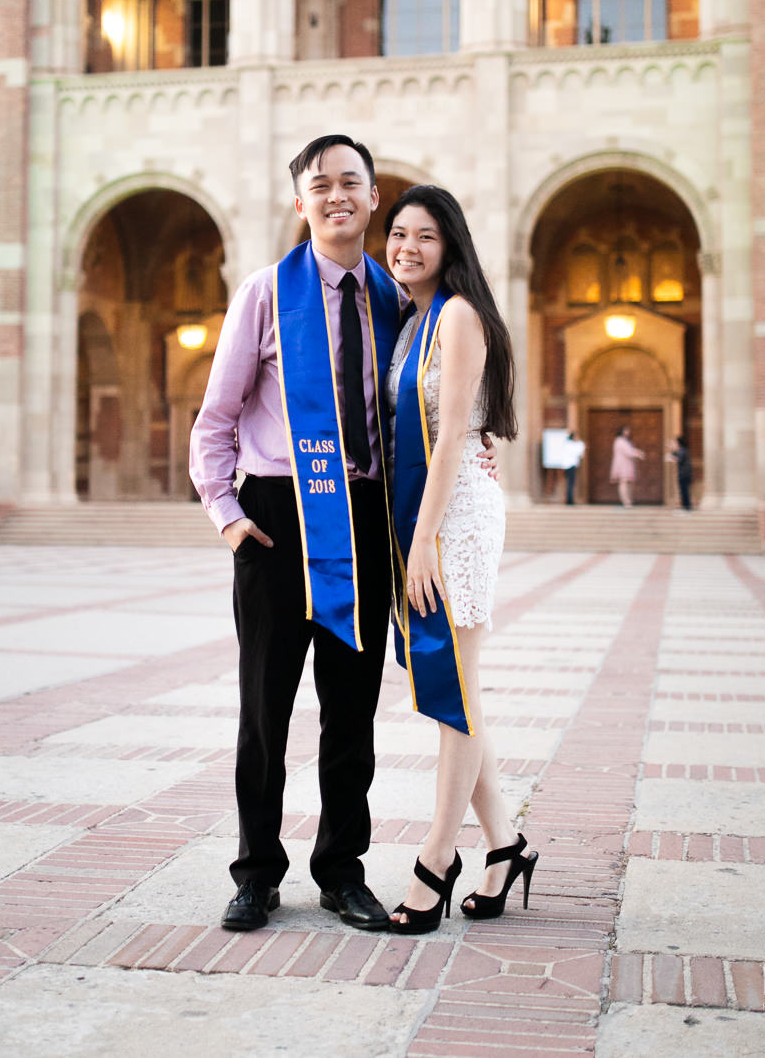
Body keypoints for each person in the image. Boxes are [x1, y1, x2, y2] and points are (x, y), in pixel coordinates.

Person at [190, 136, 496, 937]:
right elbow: (215, 419)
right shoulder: (264, 293)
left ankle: (341, 871)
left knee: (350, 712)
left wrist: (477, 438)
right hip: (275, 521)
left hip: (362, 521)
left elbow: (431, 401)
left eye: (350, 184)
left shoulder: (397, 303)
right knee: (265, 710)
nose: (336, 197)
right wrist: (226, 514)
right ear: (301, 204)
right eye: (319, 185)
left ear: (370, 199)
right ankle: (256, 873)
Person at [382, 185, 538, 933]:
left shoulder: (460, 316)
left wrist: (422, 544)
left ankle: (438, 856)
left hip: (456, 522)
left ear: (452, 247)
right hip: (426, 516)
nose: (407, 247)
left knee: (456, 691)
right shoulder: (411, 321)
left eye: (426, 237)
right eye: (399, 233)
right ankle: (506, 846)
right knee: (455, 689)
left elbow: (450, 438)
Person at [610, 424, 645, 507]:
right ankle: (625, 501)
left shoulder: (627, 441)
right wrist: (638, 454)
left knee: (629, 482)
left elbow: (631, 450)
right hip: (622, 464)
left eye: (628, 430)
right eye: (626, 430)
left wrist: (638, 452)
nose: (627, 432)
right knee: (624, 481)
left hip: (628, 464)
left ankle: (629, 500)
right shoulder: (619, 441)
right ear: (622, 431)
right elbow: (628, 452)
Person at [559, 430, 585, 505]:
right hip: (571, 465)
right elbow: (580, 454)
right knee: (570, 483)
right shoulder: (573, 445)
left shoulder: (566, 444)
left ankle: (569, 499)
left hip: (565, 465)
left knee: (569, 483)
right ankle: (569, 500)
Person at [666, 435, 693, 510]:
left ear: (678, 443)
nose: (674, 444)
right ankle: (685, 506)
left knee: (684, 491)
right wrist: (671, 448)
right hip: (684, 474)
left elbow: (678, 460)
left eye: (675, 442)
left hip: (684, 474)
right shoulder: (681, 450)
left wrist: (671, 459)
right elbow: (674, 454)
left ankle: (687, 507)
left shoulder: (682, 451)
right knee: (683, 491)